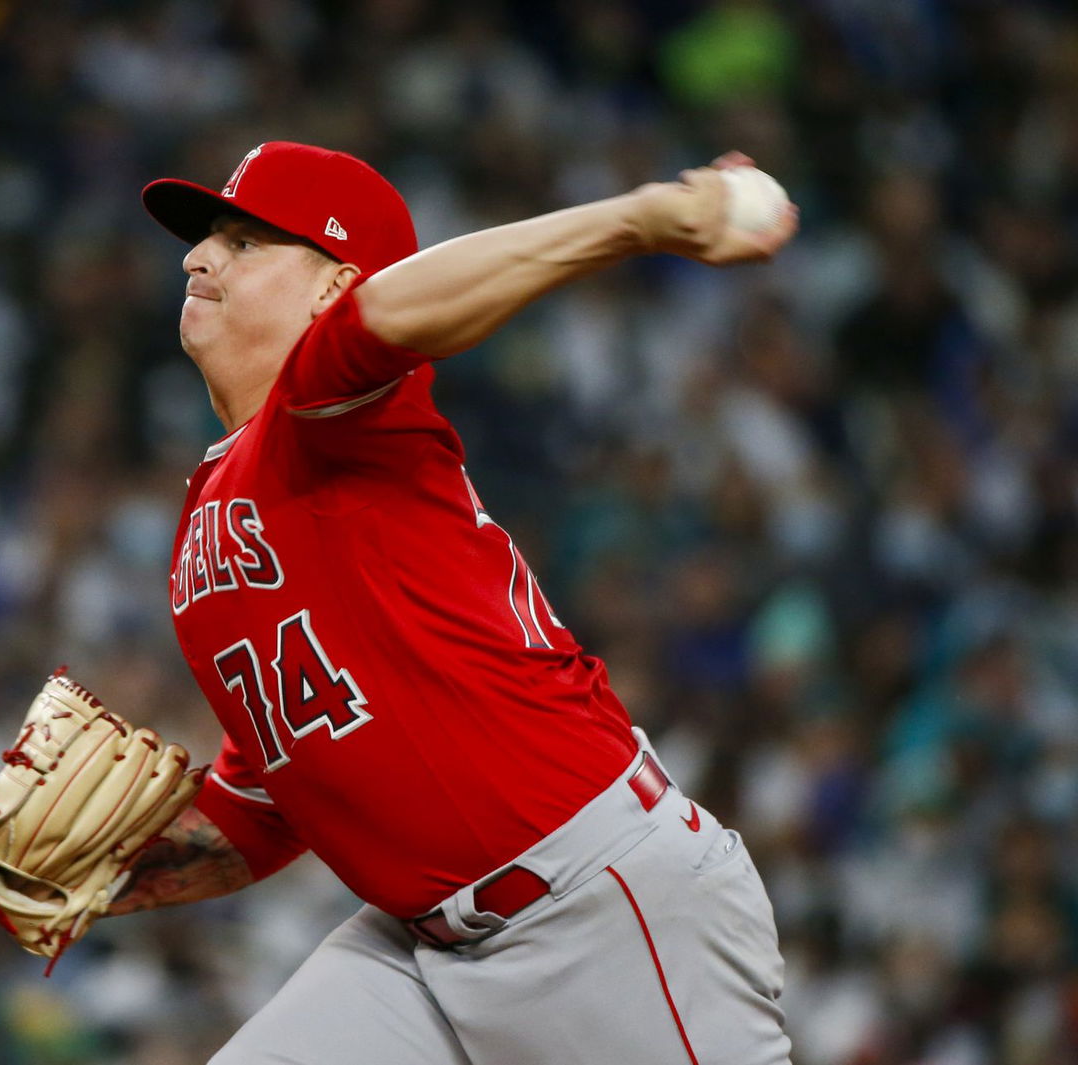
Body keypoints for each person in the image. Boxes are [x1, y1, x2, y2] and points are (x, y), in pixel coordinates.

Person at [110, 140, 799, 1065]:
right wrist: (104, 873)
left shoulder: (338, 410)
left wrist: (637, 219)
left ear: (333, 287)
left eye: (244, 241)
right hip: (415, 953)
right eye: (206, 241)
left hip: (601, 907)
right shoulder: (217, 496)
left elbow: (385, 320)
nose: (198, 257)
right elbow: (264, 805)